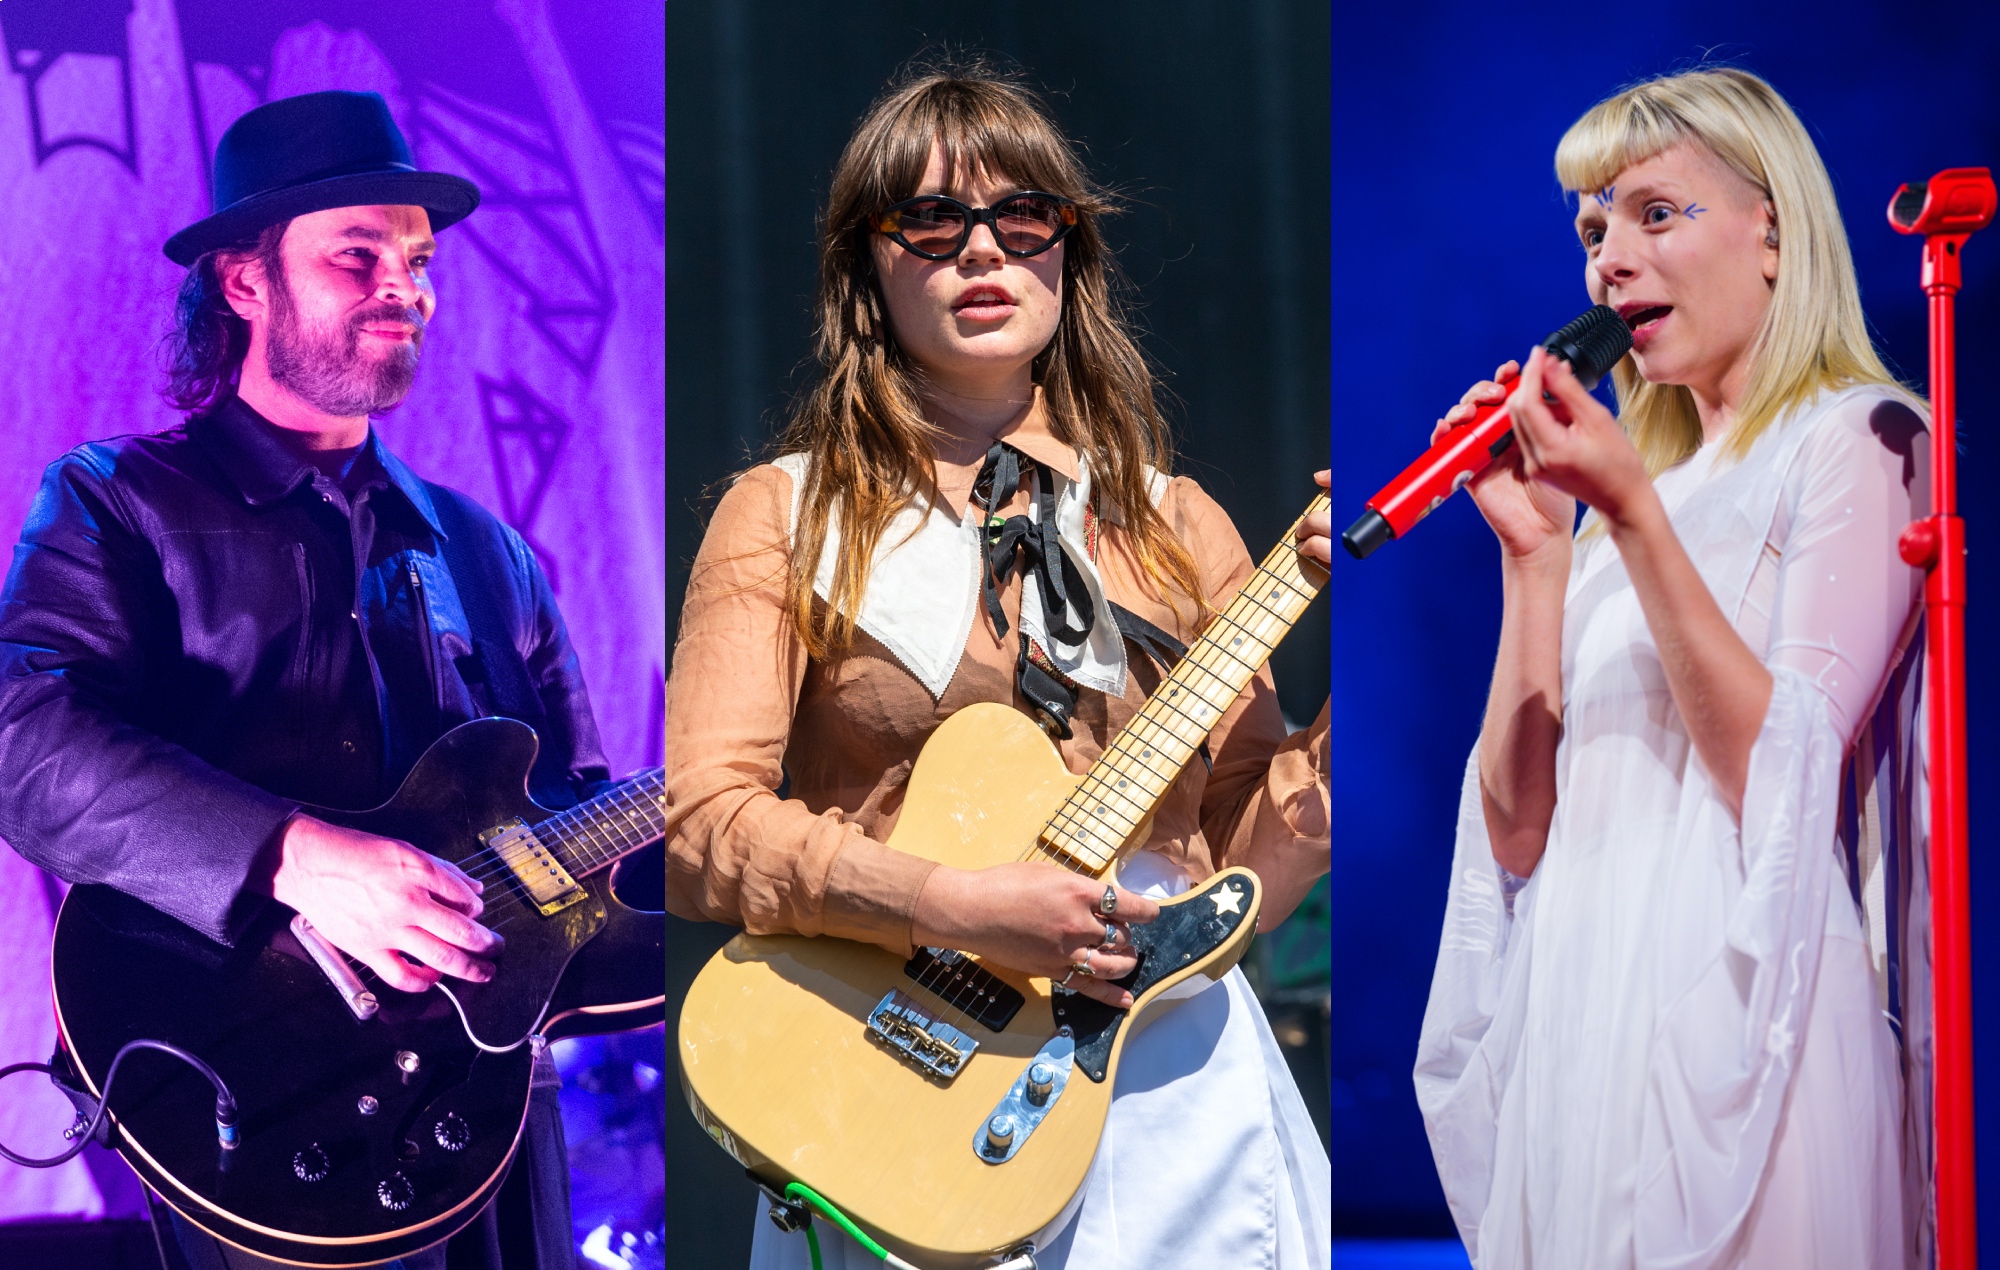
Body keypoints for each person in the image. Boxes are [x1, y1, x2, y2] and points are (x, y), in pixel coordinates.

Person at [665, 64, 1333, 1267]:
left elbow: (1246, 852)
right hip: (885, 1081)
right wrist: (953, 904)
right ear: (865, 263)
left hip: (1173, 1095)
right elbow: (699, 826)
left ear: (1067, 254)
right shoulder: (782, 513)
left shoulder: (1179, 524)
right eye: (931, 220)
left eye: (1022, 218)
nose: (982, 248)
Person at [0, 91, 609, 1269]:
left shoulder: (487, 552)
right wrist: (296, 857)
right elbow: (21, 734)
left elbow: (578, 803)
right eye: (358, 255)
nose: (406, 285)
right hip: (259, 1096)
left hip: (489, 1106)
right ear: (243, 282)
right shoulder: (117, 499)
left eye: (419, 261)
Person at [1413, 68, 1931, 1268]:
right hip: (1580, 1009)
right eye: (1593, 231)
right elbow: (1514, 834)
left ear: (1772, 233)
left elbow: (1780, 777)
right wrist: (1537, 559)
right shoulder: (1609, 512)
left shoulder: (1854, 437)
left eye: (1656, 214)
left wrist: (1630, 510)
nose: (1610, 262)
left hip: (1740, 1009)